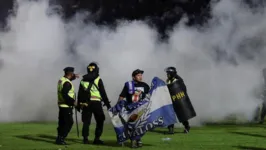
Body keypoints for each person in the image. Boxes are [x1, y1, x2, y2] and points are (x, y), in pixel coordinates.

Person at [77, 62, 111, 145]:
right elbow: (103, 93)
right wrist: (108, 105)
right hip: (96, 103)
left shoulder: (83, 80)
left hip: (86, 104)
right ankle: (97, 139)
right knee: (100, 120)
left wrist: (78, 105)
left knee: (86, 122)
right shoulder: (98, 79)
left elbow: (80, 94)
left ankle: (85, 139)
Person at [118, 69, 150, 148]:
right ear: (133, 77)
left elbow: (150, 97)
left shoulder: (145, 86)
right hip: (131, 108)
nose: (140, 77)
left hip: (142, 108)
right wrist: (118, 105)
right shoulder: (128, 85)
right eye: (138, 75)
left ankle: (138, 139)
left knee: (140, 125)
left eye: (141, 75)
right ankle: (133, 141)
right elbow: (122, 96)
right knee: (132, 125)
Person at [164, 66, 196, 134]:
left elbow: (183, 89)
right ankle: (170, 129)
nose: (167, 74)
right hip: (171, 100)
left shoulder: (178, 80)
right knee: (170, 114)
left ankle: (187, 126)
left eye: (168, 73)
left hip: (178, 100)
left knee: (182, 114)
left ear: (172, 73)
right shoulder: (168, 80)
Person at [56, 67, 79, 145]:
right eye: (72, 74)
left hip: (61, 105)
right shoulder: (67, 83)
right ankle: (61, 138)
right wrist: (73, 102)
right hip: (66, 106)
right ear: (70, 74)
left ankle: (59, 138)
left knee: (62, 123)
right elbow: (65, 94)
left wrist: (73, 77)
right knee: (69, 123)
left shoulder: (61, 80)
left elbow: (67, 83)